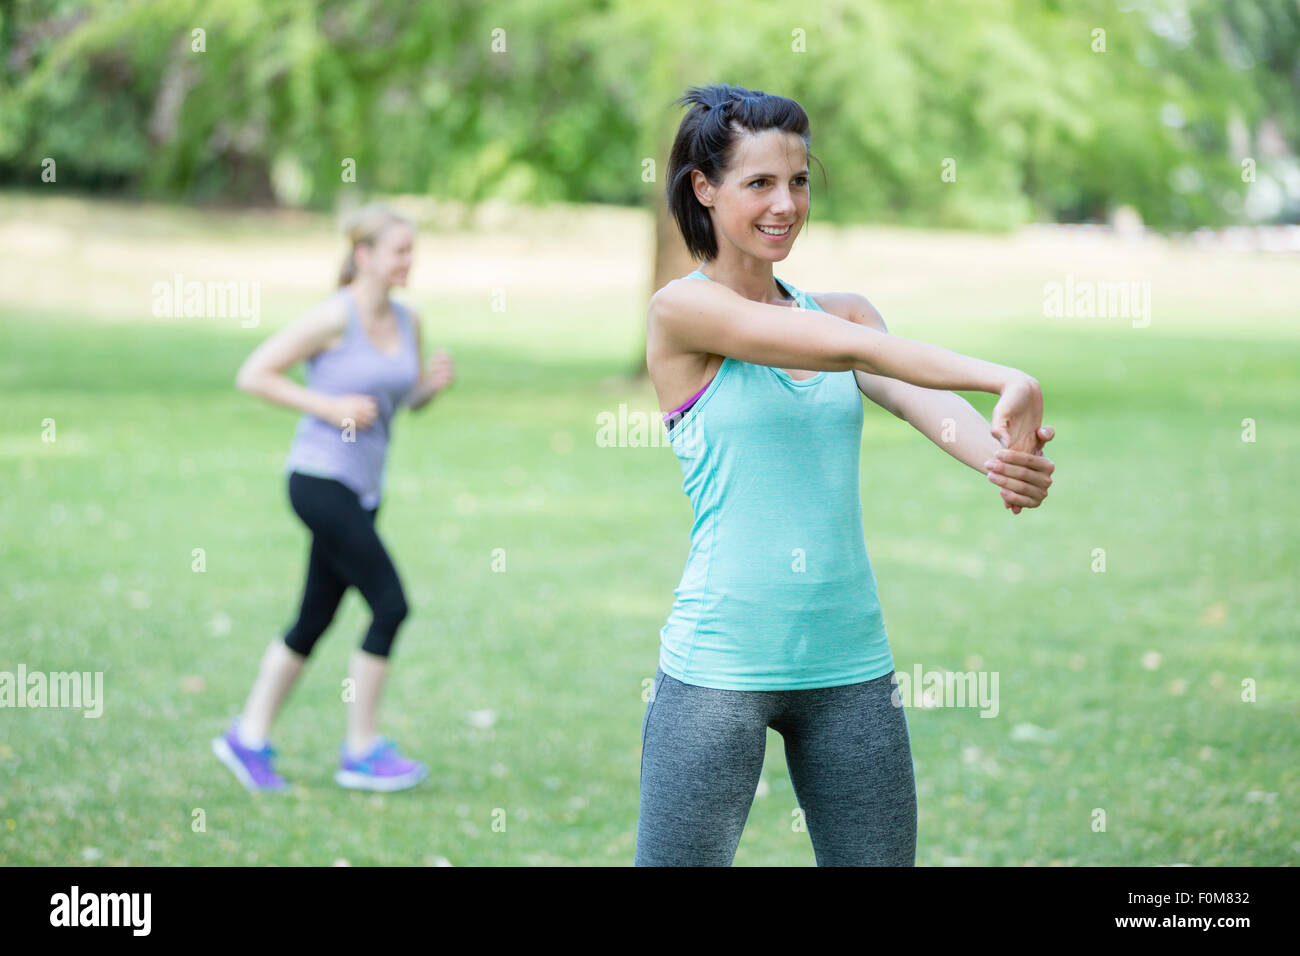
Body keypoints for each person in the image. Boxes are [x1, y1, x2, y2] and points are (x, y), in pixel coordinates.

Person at [636, 84, 1056, 865]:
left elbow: (925, 405)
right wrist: (1005, 375)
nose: (785, 204)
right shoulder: (682, 313)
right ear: (704, 187)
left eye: (797, 181)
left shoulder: (849, 312)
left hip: (851, 665)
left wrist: (1005, 457)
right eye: (758, 182)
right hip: (719, 666)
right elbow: (854, 353)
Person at [213, 203, 455, 793]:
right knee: (390, 604)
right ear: (364, 255)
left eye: (411, 250)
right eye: (399, 250)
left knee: (313, 619)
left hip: (365, 488)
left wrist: (428, 389)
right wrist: (330, 407)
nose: (408, 261)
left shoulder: (408, 320)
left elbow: (397, 400)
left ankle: (247, 737)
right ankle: (362, 751)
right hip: (318, 480)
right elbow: (255, 373)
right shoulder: (332, 318)